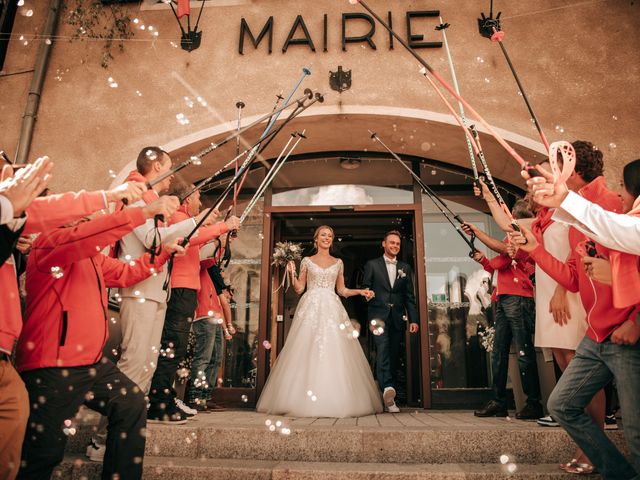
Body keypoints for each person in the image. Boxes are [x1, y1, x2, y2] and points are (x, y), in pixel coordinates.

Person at [16, 195, 182, 480]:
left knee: (131, 403)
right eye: (83, 217)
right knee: (43, 454)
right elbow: (86, 236)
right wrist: (143, 212)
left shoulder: (91, 257)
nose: (89, 219)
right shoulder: (48, 245)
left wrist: (163, 253)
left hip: (90, 363)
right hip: (53, 364)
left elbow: (126, 272)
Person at [511, 160, 639, 478]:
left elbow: (622, 236)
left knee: (636, 431)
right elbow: (572, 276)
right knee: (562, 404)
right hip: (596, 336)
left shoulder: (607, 204)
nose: (619, 194)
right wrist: (535, 249)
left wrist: (636, 319)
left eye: (623, 187)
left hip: (625, 332)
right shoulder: (577, 218)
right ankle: (620, 473)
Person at [88, 147, 213, 460]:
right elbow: (152, 240)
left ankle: (123, 437)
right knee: (133, 365)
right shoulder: (136, 196)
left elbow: (161, 241)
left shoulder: (149, 199)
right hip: (139, 291)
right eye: (169, 167)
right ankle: (101, 441)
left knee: (146, 367)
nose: (172, 178)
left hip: (156, 291)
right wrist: (196, 223)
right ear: (156, 166)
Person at [256, 225, 382, 417]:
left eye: (330, 235)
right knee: (306, 349)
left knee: (335, 349)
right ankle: (299, 399)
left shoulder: (338, 262)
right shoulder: (307, 260)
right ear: (316, 239)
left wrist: (360, 291)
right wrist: (291, 272)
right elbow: (299, 288)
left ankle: (337, 399)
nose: (327, 238)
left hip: (332, 308)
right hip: (311, 308)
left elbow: (342, 290)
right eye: (323, 235)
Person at [147, 181, 240, 423]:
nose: (200, 201)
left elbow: (200, 247)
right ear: (187, 199)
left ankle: (163, 397)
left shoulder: (186, 219)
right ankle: (159, 401)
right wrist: (222, 226)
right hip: (179, 288)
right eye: (198, 196)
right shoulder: (178, 217)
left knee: (175, 348)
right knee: (172, 346)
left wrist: (222, 233)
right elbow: (194, 237)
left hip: (186, 288)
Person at [467, 200, 544, 420]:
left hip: (519, 298)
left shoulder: (523, 237)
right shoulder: (510, 239)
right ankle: (499, 401)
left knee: (523, 352)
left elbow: (504, 254)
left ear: (515, 218)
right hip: (504, 298)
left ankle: (533, 403)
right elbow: (498, 264)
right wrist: (482, 259)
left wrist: (478, 233)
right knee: (499, 353)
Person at [526, 159, 640, 255]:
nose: (619, 193)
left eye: (622, 185)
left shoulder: (610, 202)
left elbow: (613, 228)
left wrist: (565, 199)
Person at [362, 230, 419, 413]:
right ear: (384, 244)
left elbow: (409, 296)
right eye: (392, 243)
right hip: (377, 316)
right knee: (383, 349)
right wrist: (367, 293)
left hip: (397, 318)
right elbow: (365, 287)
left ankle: (388, 394)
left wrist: (414, 319)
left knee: (393, 355)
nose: (395, 246)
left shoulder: (405, 268)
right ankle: (387, 389)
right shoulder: (372, 265)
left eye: (397, 244)